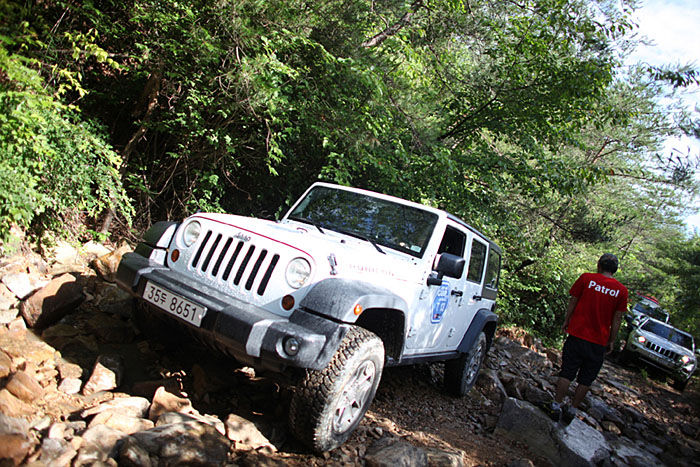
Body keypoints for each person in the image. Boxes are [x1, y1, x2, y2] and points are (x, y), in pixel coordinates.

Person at [547, 253, 628, 424]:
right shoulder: (621, 291)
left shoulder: (586, 279)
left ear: (599, 265)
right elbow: (617, 318)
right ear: (615, 269)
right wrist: (612, 340)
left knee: (567, 371)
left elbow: (573, 301)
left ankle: (556, 405)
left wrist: (567, 320)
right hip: (598, 341)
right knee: (586, 378)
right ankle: (573, 409)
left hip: (577, 334)